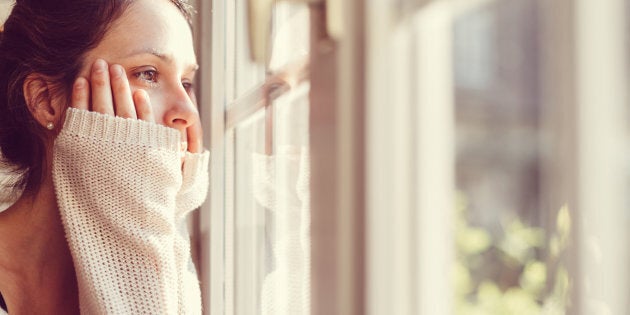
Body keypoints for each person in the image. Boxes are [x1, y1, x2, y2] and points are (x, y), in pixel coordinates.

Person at [0, 0, 208, 313]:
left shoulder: (174, 274)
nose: (188, 112)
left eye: (186, 82)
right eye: (148, 73)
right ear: (45, 101)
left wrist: (152, 227)